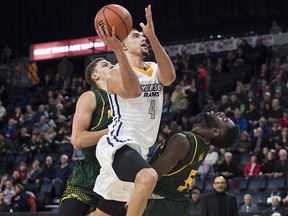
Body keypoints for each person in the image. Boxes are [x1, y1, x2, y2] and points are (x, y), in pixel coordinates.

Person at [93, 5, 176, 216]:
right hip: (118, 143)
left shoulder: (154, 69)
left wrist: (153, 37)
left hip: (140, 149)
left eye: (142, 36)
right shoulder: (114, 73)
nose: (142, 38)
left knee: (103, 213)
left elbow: (169, 78)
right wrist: (118, 52)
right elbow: (133, 91)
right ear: (124, 46)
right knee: (148, 177)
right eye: (136, 36)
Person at [143, 111, 239, 216]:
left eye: (224, 119)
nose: (221, 114)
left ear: (215, 131)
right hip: (178, 203)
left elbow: (150, 177)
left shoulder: (183, 141)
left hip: (161, 202)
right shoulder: (203, 145)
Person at [59, 57, 114, 216]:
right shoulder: (90, 97)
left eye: (112, 64)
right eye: (105, 65)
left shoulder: (125, 99)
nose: (112, 65)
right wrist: (111, 130)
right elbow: (77, 141)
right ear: (95, 76)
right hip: (89, 173)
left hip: (116, 173)